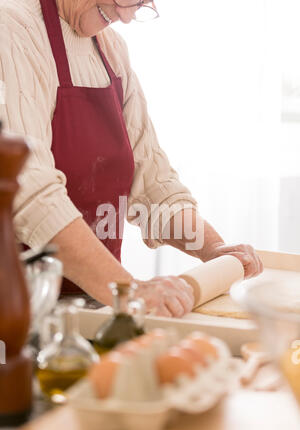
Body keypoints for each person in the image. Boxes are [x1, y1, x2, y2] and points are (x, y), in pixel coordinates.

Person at [0, 0, 263, 318]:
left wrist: (214, 250)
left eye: (140, 4)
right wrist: (128, 289)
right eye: (121, 0)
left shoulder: (111, 49)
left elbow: (152, 185)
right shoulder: (13, 28)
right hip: (15, 312)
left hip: (91, 310)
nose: (125, 16)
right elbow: (30, 192)